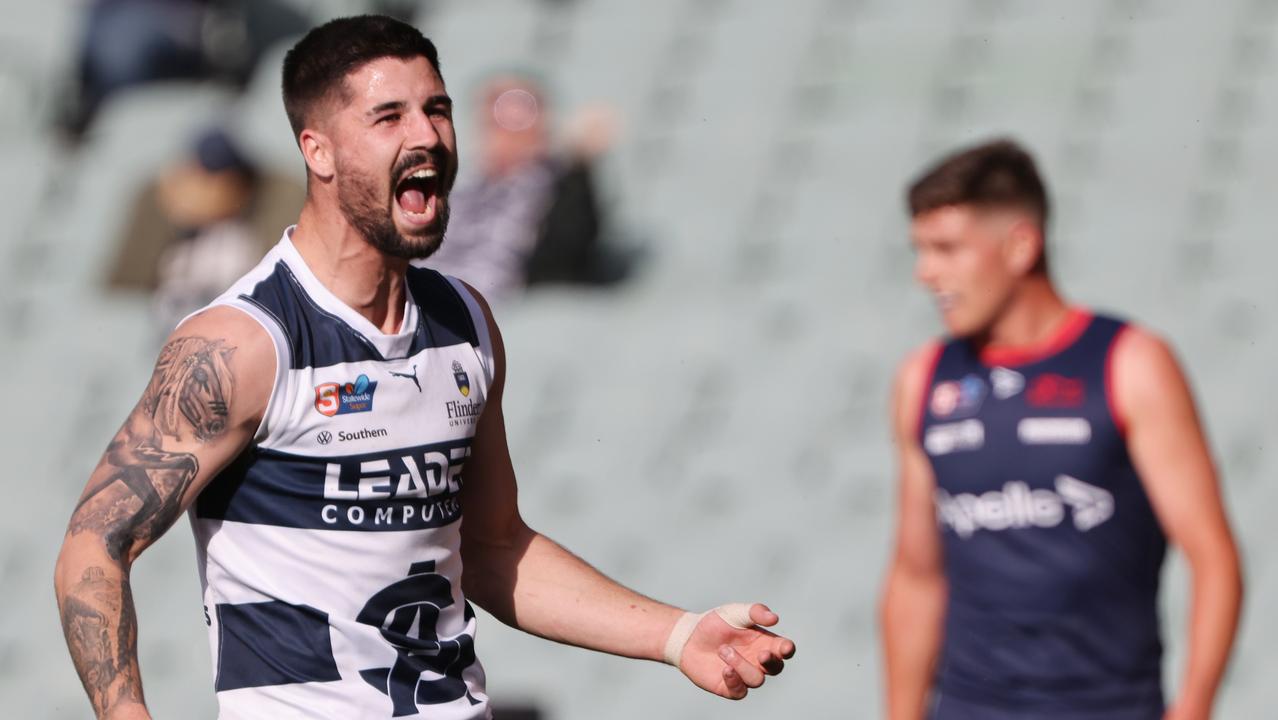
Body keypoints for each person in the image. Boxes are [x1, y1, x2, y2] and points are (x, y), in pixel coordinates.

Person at [54, 15, 794, 720]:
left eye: (437, 110)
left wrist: (676, 635)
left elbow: (495, 547)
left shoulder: (465, 321)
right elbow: (96, 541)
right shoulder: (245, 342)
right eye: (390, 118)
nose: (429, 137)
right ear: (319, 151)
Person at [879, 139, 1242, 720]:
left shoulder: (1130, 363)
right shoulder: (923, 379)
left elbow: (1213, 555)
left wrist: (1194, 706)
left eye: (947, 249)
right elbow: (917, 575)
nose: (926, 274)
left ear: (1021, 245)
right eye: (920, 250)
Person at [424, 74, 631, 301]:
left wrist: (580, 163)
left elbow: (567, 249)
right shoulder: (456, 187)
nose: (509, 131)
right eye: (498, 114)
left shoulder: (558, 186)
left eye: (524, 114)